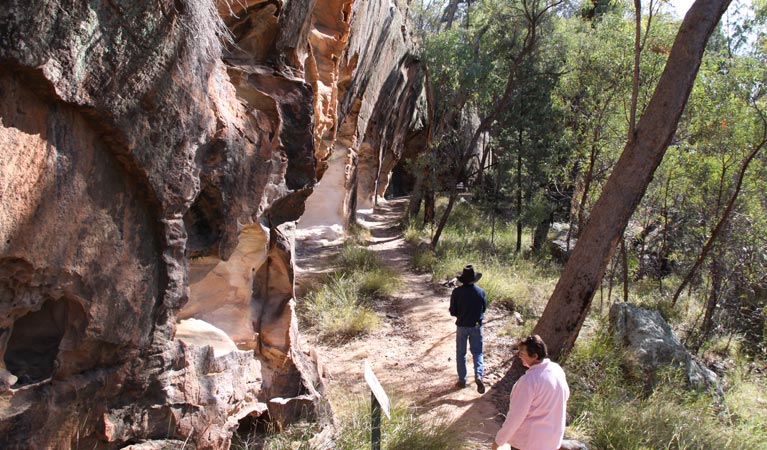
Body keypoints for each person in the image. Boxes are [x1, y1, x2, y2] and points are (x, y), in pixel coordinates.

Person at [492, 335, 570, 450]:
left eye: (522, 354)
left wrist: (498, 441)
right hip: (552, 441)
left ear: (534, 356)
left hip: (528, 443)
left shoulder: (528, 381)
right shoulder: (557, 370)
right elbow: (565, 397)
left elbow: (515, 417)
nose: (519, 356)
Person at [449, 264, 487, 393]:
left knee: (461, 353)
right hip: (476, 325)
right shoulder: (480, 291)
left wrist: (461, 313)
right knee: (477, 352)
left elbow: (452, 312)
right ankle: (479, 375)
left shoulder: (456, 292)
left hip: (462, 325)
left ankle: (462, 380)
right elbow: (484, 308)